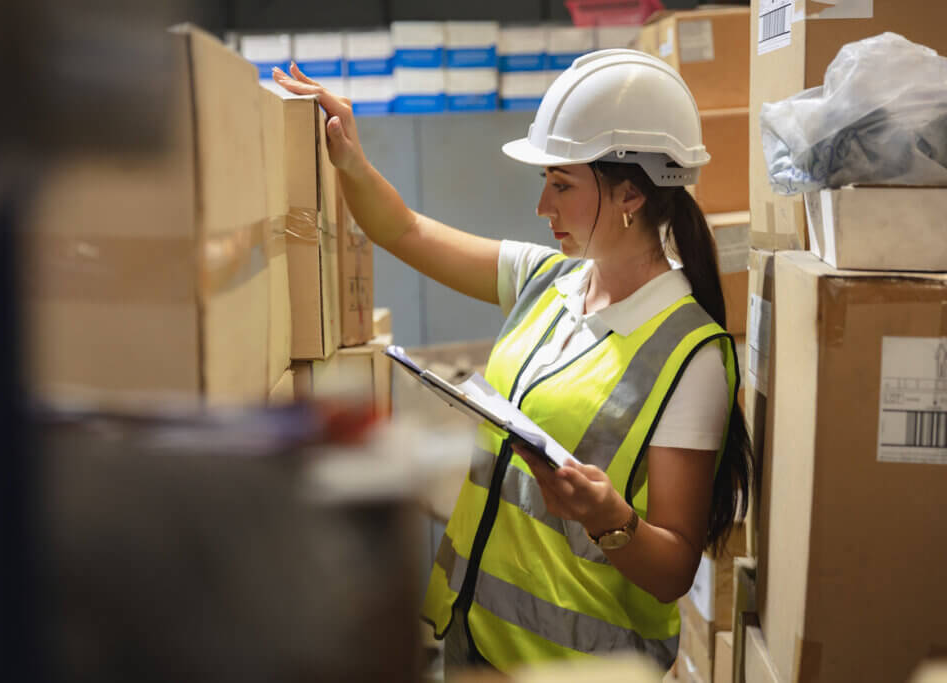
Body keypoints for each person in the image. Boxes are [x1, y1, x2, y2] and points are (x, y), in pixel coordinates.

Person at [273, 48, 753, 674]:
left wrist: (610, 519)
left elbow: (673, 570)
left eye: (562, 185)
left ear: (631, 192)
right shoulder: (548, 280)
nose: (542, 208)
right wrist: (349, 153)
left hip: (571, 667)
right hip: (473, 643)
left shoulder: (691, 356)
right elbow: (405, 231)